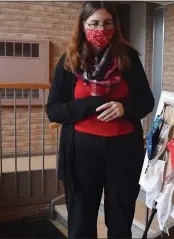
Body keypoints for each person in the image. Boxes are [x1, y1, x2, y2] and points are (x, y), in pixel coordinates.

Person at [46, 1, 154, 239]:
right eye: (94, 23)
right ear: (83, 26)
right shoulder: (68, 62)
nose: (101, 29)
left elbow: (147, 101)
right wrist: (89, 105)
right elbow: (54, 110)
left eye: (107, 23)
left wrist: (124, 107)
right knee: (81, 223)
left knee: (120, 221)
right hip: (81, 152)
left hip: (124, 151)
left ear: (115, 25)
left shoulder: (129, 59)